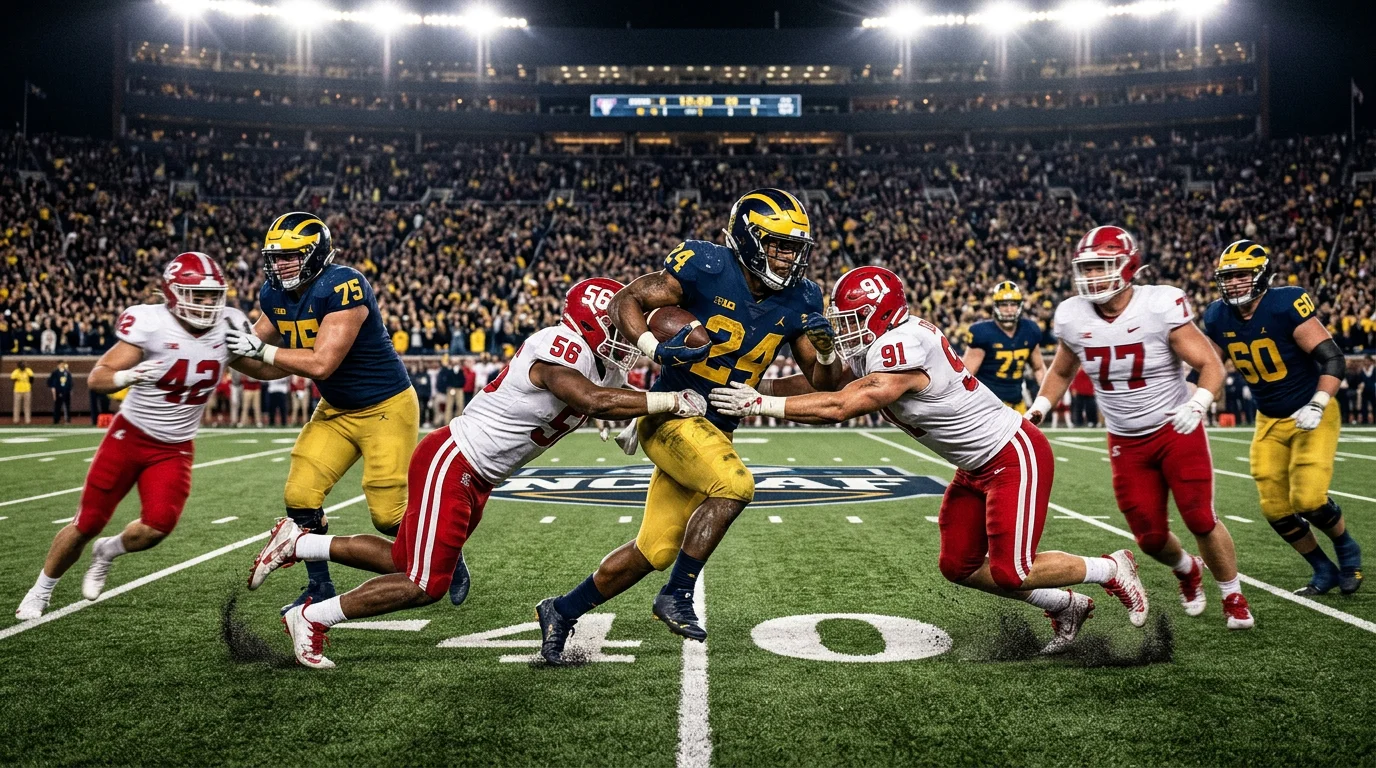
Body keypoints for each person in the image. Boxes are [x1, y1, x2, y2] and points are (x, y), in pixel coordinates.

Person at [245, 279, 706, 668]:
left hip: (476, 475)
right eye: (616, 327)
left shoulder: (601, 367)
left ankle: (300, 543)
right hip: (456, 460)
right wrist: (666, 402)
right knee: (425, 584)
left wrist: (636, 419)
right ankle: (313, 617)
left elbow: (610, 396)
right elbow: (590, 399)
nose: (626, 338)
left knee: (404, 562)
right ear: (590, 321)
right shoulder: (556, 344)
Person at [710, 266, 1150, 653]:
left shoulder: (901, 344)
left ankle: (1111, 568)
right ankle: (1066, 605)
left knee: (1013, 570)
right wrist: (759, 388)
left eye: (852, 319)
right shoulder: (882, 342)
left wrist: (758, 406)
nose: (844, 329)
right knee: (957, 565)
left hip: (1012, 453)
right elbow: (826, 383)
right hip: (976, 466)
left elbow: (843, 405)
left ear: (880, 313)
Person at [536, 188, 845, 664]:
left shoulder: (803, 296)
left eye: (794, 247)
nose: (788, 256)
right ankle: (677, 594)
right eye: (777, 244)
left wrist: (825, 352)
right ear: (747, 240)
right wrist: (654, 349)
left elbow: (825, 382)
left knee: (655, 548)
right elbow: (627, 299)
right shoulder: (705, 264)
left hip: (716, 428)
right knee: (735, 484)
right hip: (673, 416)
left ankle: (561, 609)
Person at [15, 253, 276, 620]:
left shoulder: (229, 325)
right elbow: (97, 377)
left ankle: (107, 552)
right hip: (130, 436)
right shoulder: (151, 323)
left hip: (174, 447)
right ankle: (40, 590)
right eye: (197, 296)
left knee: (158, 526)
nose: (207, 304)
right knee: (87, 521)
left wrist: (271, 339)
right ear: (173, 293)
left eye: (213, 296)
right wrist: (128, 377)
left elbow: (261, 370)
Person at [1026, 225, 1253, 630]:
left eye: (1102, 266)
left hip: (1175, 429)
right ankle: (1186, 568)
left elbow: (1210, 364)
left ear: (1127, 266)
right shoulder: (1073, 315)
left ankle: (1232, 593)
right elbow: (1061, 370)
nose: (1093, 276)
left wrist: (1199, 402)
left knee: (1200, 517)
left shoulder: (1159, 304)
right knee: (1149, 538)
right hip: (1125, 441)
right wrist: (1040, 406)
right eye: (1088, 268)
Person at [226, 211, 420, 613]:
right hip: (336, 408)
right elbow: (262, 366)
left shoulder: (343, 284)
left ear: (316, 254)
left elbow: (320, 364)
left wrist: (260, 349)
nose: (279, 265)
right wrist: (226, 350)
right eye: (275, 257)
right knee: (299, 494)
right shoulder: (273, 294)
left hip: (385, 406)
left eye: (290, 257)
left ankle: (440, 557)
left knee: (387, 516)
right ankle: (320, 586)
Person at [1202, 240, 1362, 595]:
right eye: (1228, 277)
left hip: (1311, 411)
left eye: (1241, 275)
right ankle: (1322, 568)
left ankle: (1348, 550)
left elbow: (1333, 359)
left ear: (1260, 276)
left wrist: (1318, 403)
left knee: (1308, 499)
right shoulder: (1216, 315)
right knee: (1274, 506)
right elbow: (1207, 367)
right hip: (1268, 418)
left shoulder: (1284, 304)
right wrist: (1190, 402)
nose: (1234, 283)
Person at [962, 281, 1046, 412]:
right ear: (995, 307)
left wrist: (1044, 400)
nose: (1008, 309)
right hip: (988, 406)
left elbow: (1039, 368)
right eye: (1003, 305)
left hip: (1017, 404)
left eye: (1013, 304)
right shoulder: (982, 333)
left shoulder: (1030, 329)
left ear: (1020, 306)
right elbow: (966, 375)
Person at [10, 360, 34, 424]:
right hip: (18, 390)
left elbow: (32, 378)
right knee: (16, 406)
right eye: (22, 365)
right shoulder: (16, 371)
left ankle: (27, 420)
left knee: (27, 406)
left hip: (27, 390)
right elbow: (12, 378)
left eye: (24, 365)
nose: (23, 366)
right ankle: (16, 420)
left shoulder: (28, 370)